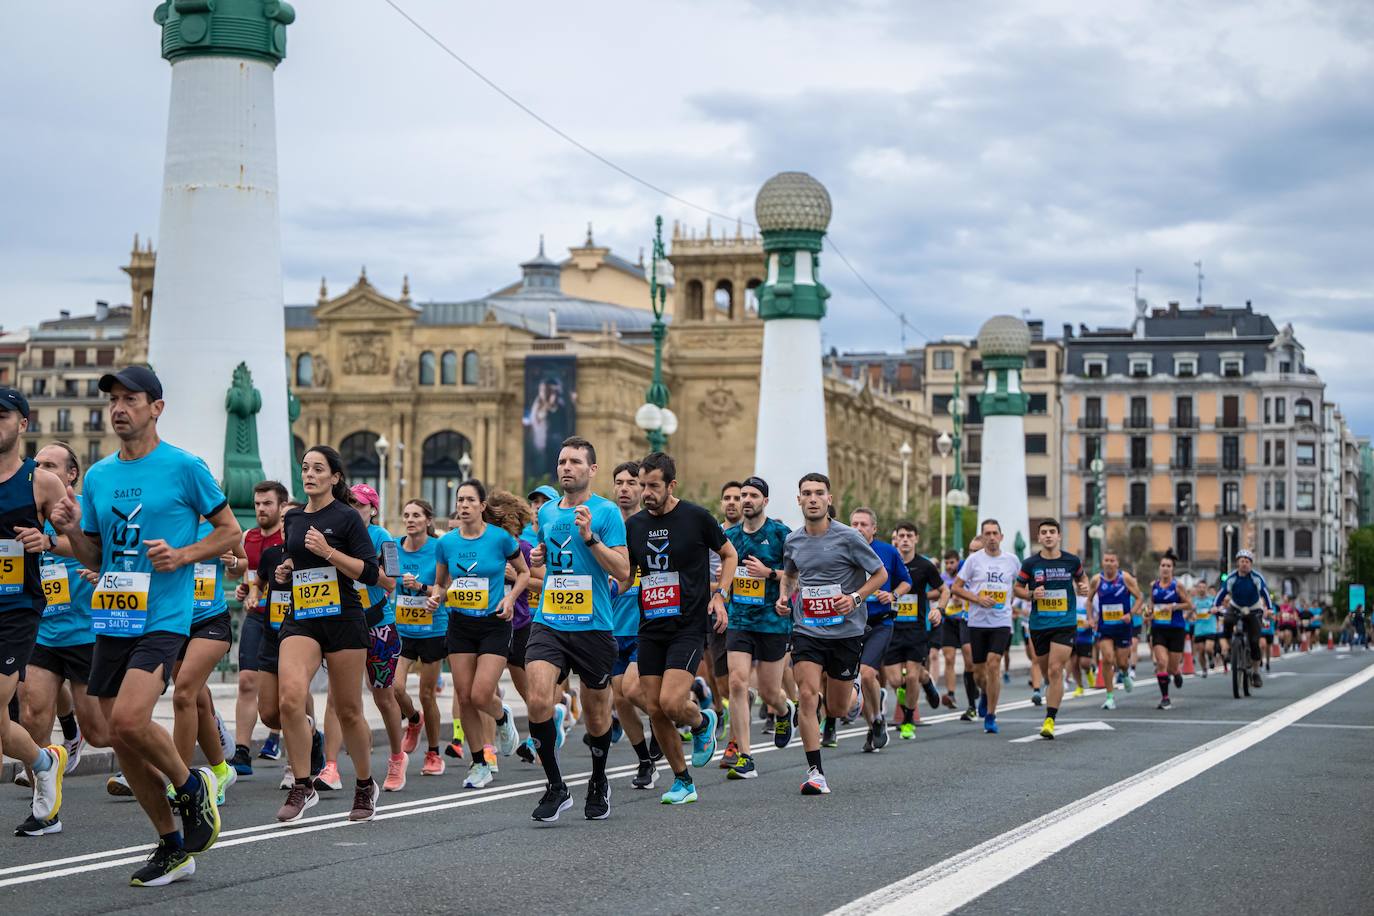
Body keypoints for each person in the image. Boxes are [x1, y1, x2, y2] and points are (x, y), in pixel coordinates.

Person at [50, 368, 240, 885]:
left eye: (129, 399)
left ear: (156, 407)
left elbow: (229, 532)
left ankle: (192, 785)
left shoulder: (184, 467)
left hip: (163, 617)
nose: (118, 408)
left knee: (132, 720)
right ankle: (172, 845)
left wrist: (182, 555)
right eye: (113, 399)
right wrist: (70, 533)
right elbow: (95, 551)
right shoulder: (99, 476)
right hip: (113, 614)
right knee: (118, 736)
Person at [272, 447, 383, 824]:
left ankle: (366, 785)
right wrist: (287, 570)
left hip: (343, 618)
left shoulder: (347, 518)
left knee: (349, 710)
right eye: (305, 468)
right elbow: (297, 560)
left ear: (335, 477)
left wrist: (329, 552)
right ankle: (303, 784)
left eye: (318, 468)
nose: (310, 474)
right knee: (289, 699)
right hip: (302, 614)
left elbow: (369, 572)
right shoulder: (295, 518)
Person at [525, 436, 629, 822]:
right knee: (537, 700)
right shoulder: (549, 513)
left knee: (597, 714)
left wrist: (591, 538)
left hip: (594, 626)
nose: (566, 467)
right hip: (549, 619)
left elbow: (622, 570)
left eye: (575, 462)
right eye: (562, 461)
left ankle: (599, 780)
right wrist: (539, 556)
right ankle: (555, 786)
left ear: (592, 470)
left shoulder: (605, 513)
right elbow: (546, 559)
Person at [623, 452, 734, 805]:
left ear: (671, 484)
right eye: (642, 486)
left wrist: (720, 595)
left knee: (671, 703)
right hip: (650, 624)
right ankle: (683, 781)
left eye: (653, 486)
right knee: (653, 707)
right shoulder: (635, 526)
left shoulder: (696, 517)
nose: (646, 493)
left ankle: (702, 722)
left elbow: (728, 555)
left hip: (687, 624)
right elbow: (628, 575)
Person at [10, 436, 106, 838]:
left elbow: (99, 553)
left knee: (103, 731)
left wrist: (52, 542)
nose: (42, 471)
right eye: (39, 464)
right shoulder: (25, 505)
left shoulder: (82, 511)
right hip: (41, 628)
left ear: (72, 474)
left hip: (84, 631)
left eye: (51, 466)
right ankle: (43, 808)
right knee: (32, 714)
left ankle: (166, 773)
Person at [775, 473, 886, 795]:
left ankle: (854, 695)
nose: (812, 498)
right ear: (799, 500)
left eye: (818, 493)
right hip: (807, 629)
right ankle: (815, 772)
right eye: (806, 493)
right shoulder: (793, 540)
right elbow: (791, 576)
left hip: (846, 633)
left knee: (837, 709)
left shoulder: (850, 537)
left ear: (829, 499)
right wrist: (785, 597)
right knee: (807, 696)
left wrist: (854, 598)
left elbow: (880, 574)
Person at [431, 479, 529, 789]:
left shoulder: (500, 539)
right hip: (460, 624)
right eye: (460, 500)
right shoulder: (446, 543)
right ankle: (478, 763)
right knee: (464, 697)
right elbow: (441, 583)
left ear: (482, 506)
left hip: (494, 622)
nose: (463, 505)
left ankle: (502, 717)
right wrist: (436, 596)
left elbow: (524, 573)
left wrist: (510, 599)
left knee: (481, 693)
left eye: (470, 500)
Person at [315, 485, 405, 795]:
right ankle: (330, 767)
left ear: (373, 510)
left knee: (382, 697)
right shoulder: (336, 534)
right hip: (343, 624)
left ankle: (396, 757)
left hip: (377, 624)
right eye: (349, 503)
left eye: (361, 505)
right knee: (335, 698)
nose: (354, 509)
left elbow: (391, 582)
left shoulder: (383, 539)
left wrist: (356, 567)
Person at [168, 519, 246, 805]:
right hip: (175, 621)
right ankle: (221, 770)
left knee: (184, 693)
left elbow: (242, 565)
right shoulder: (169, 520)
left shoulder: (219, 524)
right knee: (198, 701)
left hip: (211, 621)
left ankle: (182, 781)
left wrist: (232, 561)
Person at [722, 476, 793, 779]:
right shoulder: (729, 537)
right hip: (739, 619)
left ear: (765, 501)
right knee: (737, 683)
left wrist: (771, 574)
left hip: (773, 621)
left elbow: (795, 575)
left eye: (752, 495)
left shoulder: (781, 534)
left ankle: (785, 710)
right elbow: (724, 571)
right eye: (742, 496)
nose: (745, 500)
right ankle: (745, 756)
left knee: (768, 691)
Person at [225, 480, 287, 775]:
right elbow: (247, 574)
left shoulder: (289, 539)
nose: (261, 509)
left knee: (287, 692)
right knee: (246, 681)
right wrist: (242, 588)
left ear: (281, 506)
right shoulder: (248, 536)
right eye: (258, 504)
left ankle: (309, 736)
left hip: (287, 622)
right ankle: (241, 751)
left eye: (267, 504)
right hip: (256, 618)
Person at [606, 461, 657, 788]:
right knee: (621, 699)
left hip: (645, 625)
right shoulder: (604, 525)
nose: (625, 488)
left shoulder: (649, 527)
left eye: (631, 483)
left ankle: (668, 718)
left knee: (632, 688)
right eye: (619, 482)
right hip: (611, 626)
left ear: (643, 488)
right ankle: (644, 760)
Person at [1014, 519, 1088, 739]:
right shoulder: (1030, 564)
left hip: (1064, 623)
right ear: (1039, 537)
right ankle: (1053, 689)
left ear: (1059, 536)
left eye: (1052, 532)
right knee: (1047, 672)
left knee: (1056, 669)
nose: (1048, 535)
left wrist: (1083, 586)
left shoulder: (1072, 561)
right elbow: (1017, 588)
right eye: (1044, 532)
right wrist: (1030, 594)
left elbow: (1082, 577)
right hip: (1039, 625)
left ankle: (1050, 719)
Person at [846, 507, 911, 754]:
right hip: (851, 623)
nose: (859, 529)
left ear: (874, 528)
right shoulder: (844, 549)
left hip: (880, 622)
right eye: (854, 523)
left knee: (866, 674)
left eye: (864, 524)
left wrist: (893, 594)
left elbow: (906, 582)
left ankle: (876, 719)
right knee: (858, 680)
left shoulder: (888, 551)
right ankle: (874, 721)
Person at [949, 520, 1021, 734]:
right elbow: (956, 587)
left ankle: (991, 715)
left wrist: (1013, 602)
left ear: (1001, 536)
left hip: (1001, 620)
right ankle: (986, 693)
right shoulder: (973, 560)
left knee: (993, 663)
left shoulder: (1012, 560)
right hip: (977, 621)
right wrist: (977, 599)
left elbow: (1020, 585)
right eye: (987, 533)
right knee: (979, 672)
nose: (991, 537)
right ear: (982, 536)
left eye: (994, 533)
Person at [392, 498, 445, 782]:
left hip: (433, 629)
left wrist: (424, 588)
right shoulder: (394, 548)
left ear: (428, 520)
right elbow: (386, 580)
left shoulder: (438, 549)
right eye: (406, 515)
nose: (410, 520)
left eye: (416, 515)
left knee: (427, 694)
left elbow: (446, 586)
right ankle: (413, 720)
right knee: (395, 687)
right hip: (403, 628)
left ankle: (434, 752)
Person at [884, 521, 944, 739]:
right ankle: (926, 679)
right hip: (891, 627)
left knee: (910, 677)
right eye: (902, 535)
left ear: (916, 539)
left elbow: (943, 590)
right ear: (896, 539)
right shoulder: (887, 564)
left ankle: (908, 720)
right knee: (894, 681)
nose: (906, 539)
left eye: (910, 535)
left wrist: (940, 610)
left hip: (916, 630)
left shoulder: (925, 566)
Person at [1087, 550, 1141, 710]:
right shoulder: (1097, 580)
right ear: (1103, 562)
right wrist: (1090, 618)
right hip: (1105, 627)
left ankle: (1124, 673)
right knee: (1108, 659)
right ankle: (1110, 697)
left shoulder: (1125, 578)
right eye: (1106, 560)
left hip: (1123, 627)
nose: (1109, 563)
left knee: (1122, 662)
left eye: (1112, 560)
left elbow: (1139, 597)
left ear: (1117, 563)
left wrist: (1130, 614)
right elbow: (1088, 601)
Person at [937, 543, 981, 718]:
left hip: (973, 620)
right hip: (951, 621)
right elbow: (941, 590)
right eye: (971, 550)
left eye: (952, 562)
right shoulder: (946, 575)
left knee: (972, 663)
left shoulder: (970, 569)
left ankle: (978, 689)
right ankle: (953, 695)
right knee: (949, 658)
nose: (949, 566)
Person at [1217, 548, 1271, 688]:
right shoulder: (1231, 577)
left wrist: (1269, 609)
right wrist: (1215, 606)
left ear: (1251, 564)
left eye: (1247, 561)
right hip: (1236, 606)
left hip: (1254, 608)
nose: (1244, 564)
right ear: (1237, 563)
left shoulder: (1256, 577)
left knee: (1254, 642)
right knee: (1227, 620)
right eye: (1242, 561)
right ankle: (1228, 648)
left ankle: (1255, 672)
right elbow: (1222, 593)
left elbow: (1265, 593)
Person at [1145, 551, 1193, 710]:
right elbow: (1151, 604)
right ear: (1159, 568)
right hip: (1158, 629)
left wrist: (1174, 607)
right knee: (1161, 662)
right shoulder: (1154, 585)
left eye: (1168, 566)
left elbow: (1189, 605)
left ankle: (1177, 673)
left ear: (1172, 569)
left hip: (1176, 629)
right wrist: (1148, 613)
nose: (1165, 568)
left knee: (1172, 666)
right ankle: (1165, 698)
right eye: (1163, 565)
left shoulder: (1177, 586)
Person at [1191, 583, 1219, 677]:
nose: (1202, 589)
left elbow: (1218, 608)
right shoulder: (1194, 600)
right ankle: (1204, 669)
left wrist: (1215, 609)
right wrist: (1192, 614)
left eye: (1203, 587)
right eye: (1200, 587)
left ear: (1206, 588)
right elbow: (1191, 613)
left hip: (1210, 628)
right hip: (1199, 629)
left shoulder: (1212, 599)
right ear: (1197, 589)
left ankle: (1211, 657)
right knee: (1201, 651)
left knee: (1208, 648)